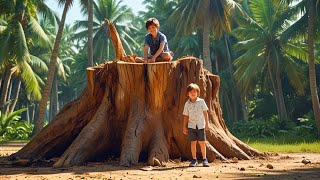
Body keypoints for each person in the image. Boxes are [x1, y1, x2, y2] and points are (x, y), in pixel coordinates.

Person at [182, 83, 210, 167]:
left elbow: (205, 113)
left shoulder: (201, 102)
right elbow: (186, 116)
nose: (193, 93)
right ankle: (194, 160)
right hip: (191, 126)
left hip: (201, 125)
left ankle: (204, 159)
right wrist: (184, 126)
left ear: (197, 93)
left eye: (194, 92)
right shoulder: (187, 104)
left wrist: (207, 124)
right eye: (191, 92)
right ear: (188, 94)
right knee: (193, 142)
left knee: (202, 142)